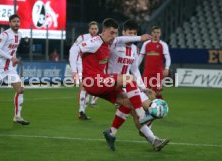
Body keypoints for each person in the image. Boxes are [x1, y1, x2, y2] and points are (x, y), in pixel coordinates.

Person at [71, 18, 153, 149]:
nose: (114, 36)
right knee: (129, 81)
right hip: (100, 81)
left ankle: (113, 133)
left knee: (129, 104)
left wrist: (143, 87)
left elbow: (133, 64)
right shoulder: (97, 42)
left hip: (112, 84)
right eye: (112, 33)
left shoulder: (116, 43)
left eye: (115, 33)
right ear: (104, 31)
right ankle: (144, 118)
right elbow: (75, 50)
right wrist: (75, 72)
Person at [107, 19, 169, 151]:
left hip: (130, 84)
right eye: (130, 33)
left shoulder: (134, 48)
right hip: (115, 85)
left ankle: (112, 132)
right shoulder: (115, 44)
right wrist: (140, 37)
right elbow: (117, 39)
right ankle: (153, 139)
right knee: (136, 112)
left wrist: (143, 87)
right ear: (123, 32)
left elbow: (134, 69)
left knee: (152, 109)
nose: (132, 36)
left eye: (135, 33)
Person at [69, 21, 99, 120]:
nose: (94, 30)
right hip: (82, 66)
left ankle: (82, 110)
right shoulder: (82, 38)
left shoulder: (99, 39)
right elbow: (73, 50)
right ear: (89, 29)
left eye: (95, 29)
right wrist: (74, 70)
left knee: (89, 89)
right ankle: (81, 111)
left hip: (93, 68)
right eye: (92, 28)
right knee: (84, 88)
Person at [138, 26, 171, 99]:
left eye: (158, 32)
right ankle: (145, 107)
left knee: (158, 92)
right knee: (144, 91)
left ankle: (161, 107)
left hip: (158, 72)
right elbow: (140, 56)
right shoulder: (146, 44)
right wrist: (135, 66)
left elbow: (167, 57)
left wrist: (167, 68)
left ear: (160, 34)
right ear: (151, 33)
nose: (156, 34)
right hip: (147, 72)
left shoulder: (163, 44)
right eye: (154, 32)